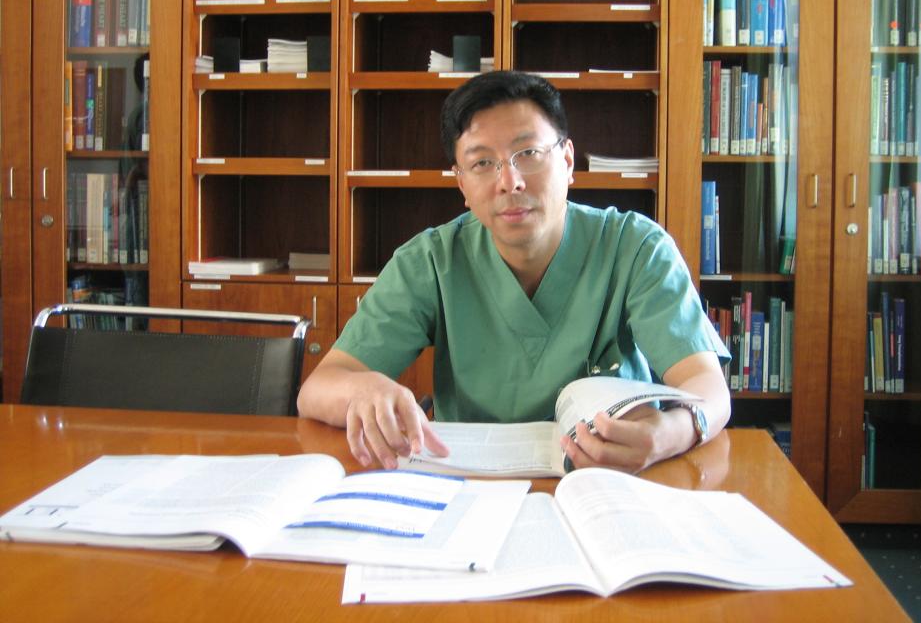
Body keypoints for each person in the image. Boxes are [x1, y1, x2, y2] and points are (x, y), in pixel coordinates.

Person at [298, 70, 731, 473]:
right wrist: (365, 390)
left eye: (528, 154)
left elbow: (706, 384)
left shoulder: (635, 248)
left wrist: (670, 432)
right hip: (470, 486)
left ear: (567, 161)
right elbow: (318, 388)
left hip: (608, 480)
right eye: (482, 163)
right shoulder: (430, 261)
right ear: (462, 184)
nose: (510, 181)